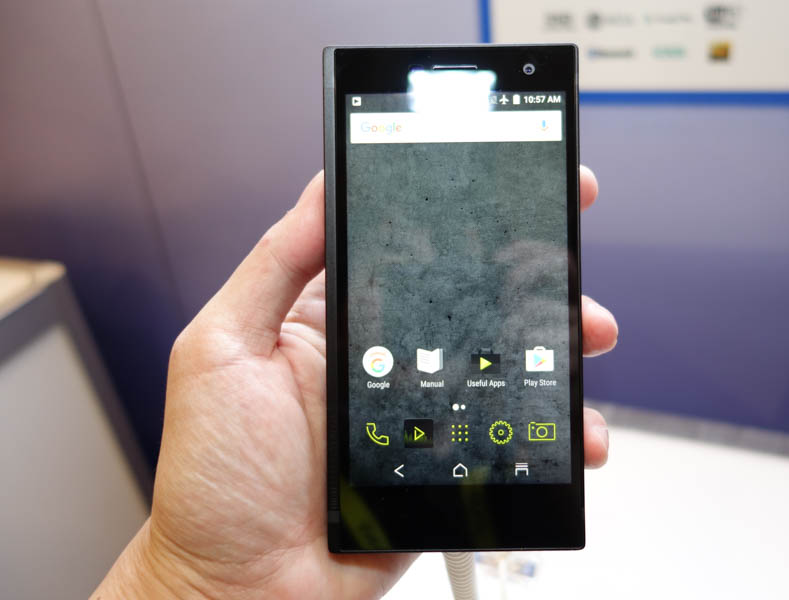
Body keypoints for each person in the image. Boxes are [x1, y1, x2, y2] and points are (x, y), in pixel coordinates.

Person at [93, 167, 618, 599]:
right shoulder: (348, 382)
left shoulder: (502, 343)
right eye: (402, 263)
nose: (437, 279)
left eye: (468, 258)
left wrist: (528, 373)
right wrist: (193, 580)